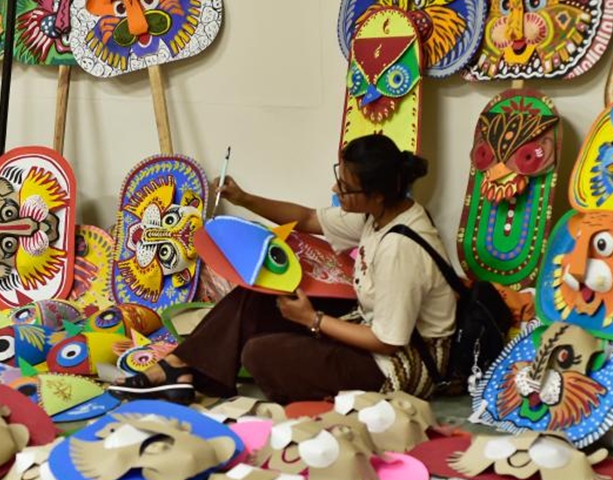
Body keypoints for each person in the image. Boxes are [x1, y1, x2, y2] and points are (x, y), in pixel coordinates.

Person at [111, 135, 457, 404]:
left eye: (347, 188)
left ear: (377, 194)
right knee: (256, 296)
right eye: (339, 177)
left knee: (259, 353)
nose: (336, 189)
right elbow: (307, 218)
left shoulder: (401, 249)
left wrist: (313, 321)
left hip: (401, 362)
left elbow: (387, 342)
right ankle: (179, 368)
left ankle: (183, 371)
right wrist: (244, 199)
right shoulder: (381, 213)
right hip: (371, 324)